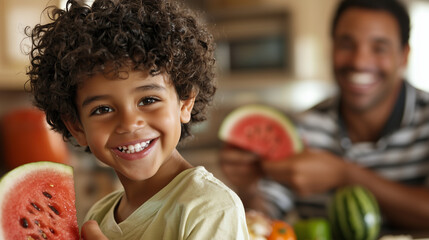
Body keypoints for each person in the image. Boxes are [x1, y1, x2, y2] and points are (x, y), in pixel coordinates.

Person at [26, 0, 249, 239]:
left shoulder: (209, 207)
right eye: (102, 109)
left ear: (185, 101)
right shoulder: (99, 215)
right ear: (76, 126)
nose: (130, 123)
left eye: (148, 100)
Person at [220, 0, 429, 231]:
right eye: (346, 44)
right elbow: (264, 218)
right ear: (331, 48)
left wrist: (345, 174)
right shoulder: (303, 127)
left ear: (404, 55)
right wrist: (249, 187)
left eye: (379, 48)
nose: (359, 61)